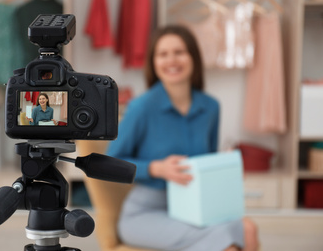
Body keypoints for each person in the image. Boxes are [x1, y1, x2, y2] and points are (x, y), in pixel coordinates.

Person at [106, 25, 259, 251]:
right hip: (146, 212)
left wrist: (225, 168)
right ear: (153, 62)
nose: (171, 60)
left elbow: (205, 161)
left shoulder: (210, 107)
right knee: (228, 244)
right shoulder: (141, 107)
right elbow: (110, 165)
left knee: (248, 230)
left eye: (179, 52)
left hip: (195, 207)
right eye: (163, 54)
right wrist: (156, 168)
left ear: (193, 57)